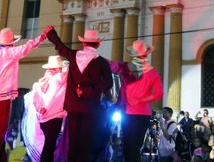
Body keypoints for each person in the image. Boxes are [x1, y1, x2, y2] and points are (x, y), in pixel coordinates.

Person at [0, 26, 51, 162]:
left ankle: (0, 159)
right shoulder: (9, 53)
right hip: (1, 98)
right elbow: (27, 47)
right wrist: (42, 36)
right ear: (11, 43)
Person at [46, 28, 113, 162]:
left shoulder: (73, 55)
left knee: (73, 142)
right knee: (86, 144)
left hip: (73, 107)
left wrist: (50, 33)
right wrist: (90, 90)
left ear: (83, 43)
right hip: (91, 109)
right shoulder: (102, 62)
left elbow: (60, 47)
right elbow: (108, 84)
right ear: (98, 45)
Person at [108, 39, 164, 162]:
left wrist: (94, 58)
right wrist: (142, 99)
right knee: (134, 147)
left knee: (128, 147)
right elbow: (159, 93)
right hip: (142, 114)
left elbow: (109, 64)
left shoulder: (126, 68)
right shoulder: (152, 72)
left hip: (128, 112)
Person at [31, 55, 68, 162]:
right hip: (55, 116)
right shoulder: (59, 78)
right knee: (49, 145)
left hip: (43, 118)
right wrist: (66, 66)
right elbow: (69, 73)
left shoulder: (39, 83)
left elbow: (36, 101)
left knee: (48, 144)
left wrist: (40, 108)